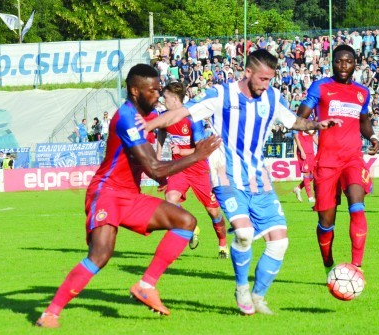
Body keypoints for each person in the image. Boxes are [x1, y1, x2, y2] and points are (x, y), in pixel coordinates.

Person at [142, 49, 333, 316]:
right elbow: (179, 113)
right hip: (225, 174)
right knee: (243, 234)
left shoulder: (273, 98)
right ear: (248, 73)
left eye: (270, 80)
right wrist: (147, 126)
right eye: (263, 79)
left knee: (279, 242)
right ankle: (242, 288)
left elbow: (294, 122)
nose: (266, 85)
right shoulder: (222, 95)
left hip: (259, 178)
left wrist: (316, 124)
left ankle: (259, 296)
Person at [35, 64, 221, 328]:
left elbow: (154, 169)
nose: (157, 95)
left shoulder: (143, 118)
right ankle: (50, 314)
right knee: (100, 255)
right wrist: (196, 156)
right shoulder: (125, 117)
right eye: (153, 90)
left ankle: (146, 285)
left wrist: (164, 175)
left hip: (129, 195)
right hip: (107, 193)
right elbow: (153, 167)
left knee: (186, 222)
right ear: (135, 90)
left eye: (159, 89)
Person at [296, 44, 379, 275]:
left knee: (357, 207)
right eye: (339, 61)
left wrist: (372, 136)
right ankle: (328, 264)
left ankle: (356, 267)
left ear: (355, 63)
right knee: (326, 222)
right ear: (332, 62)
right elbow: (299, 119)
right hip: (326, 162)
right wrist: (314, 125)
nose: (344, 65)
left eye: (349, 61)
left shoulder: (362, 92)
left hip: (353, 158)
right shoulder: (321, 87)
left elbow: (363, 121)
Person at [156, 81, 229, 259]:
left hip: (198, 169)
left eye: (165, 97)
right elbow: (162, 132)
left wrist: (181, 151)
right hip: (178, 168)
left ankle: (223, 244)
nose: (162, 100)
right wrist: (158, 156)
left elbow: (200, 150)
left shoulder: (192, 119)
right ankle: (192, 225)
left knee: (213, 211)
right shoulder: (165, 116)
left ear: (174, 99)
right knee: (170, 200)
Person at [291, 128, 318, 203]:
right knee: (306, 174)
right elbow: (296, 139)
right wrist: (302, 151)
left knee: (312, 175)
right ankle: (310, 197)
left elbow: (317, 141)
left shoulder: (310, 129)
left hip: (311, 153)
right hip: (303, 153)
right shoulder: (298, 126)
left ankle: (298, 188)